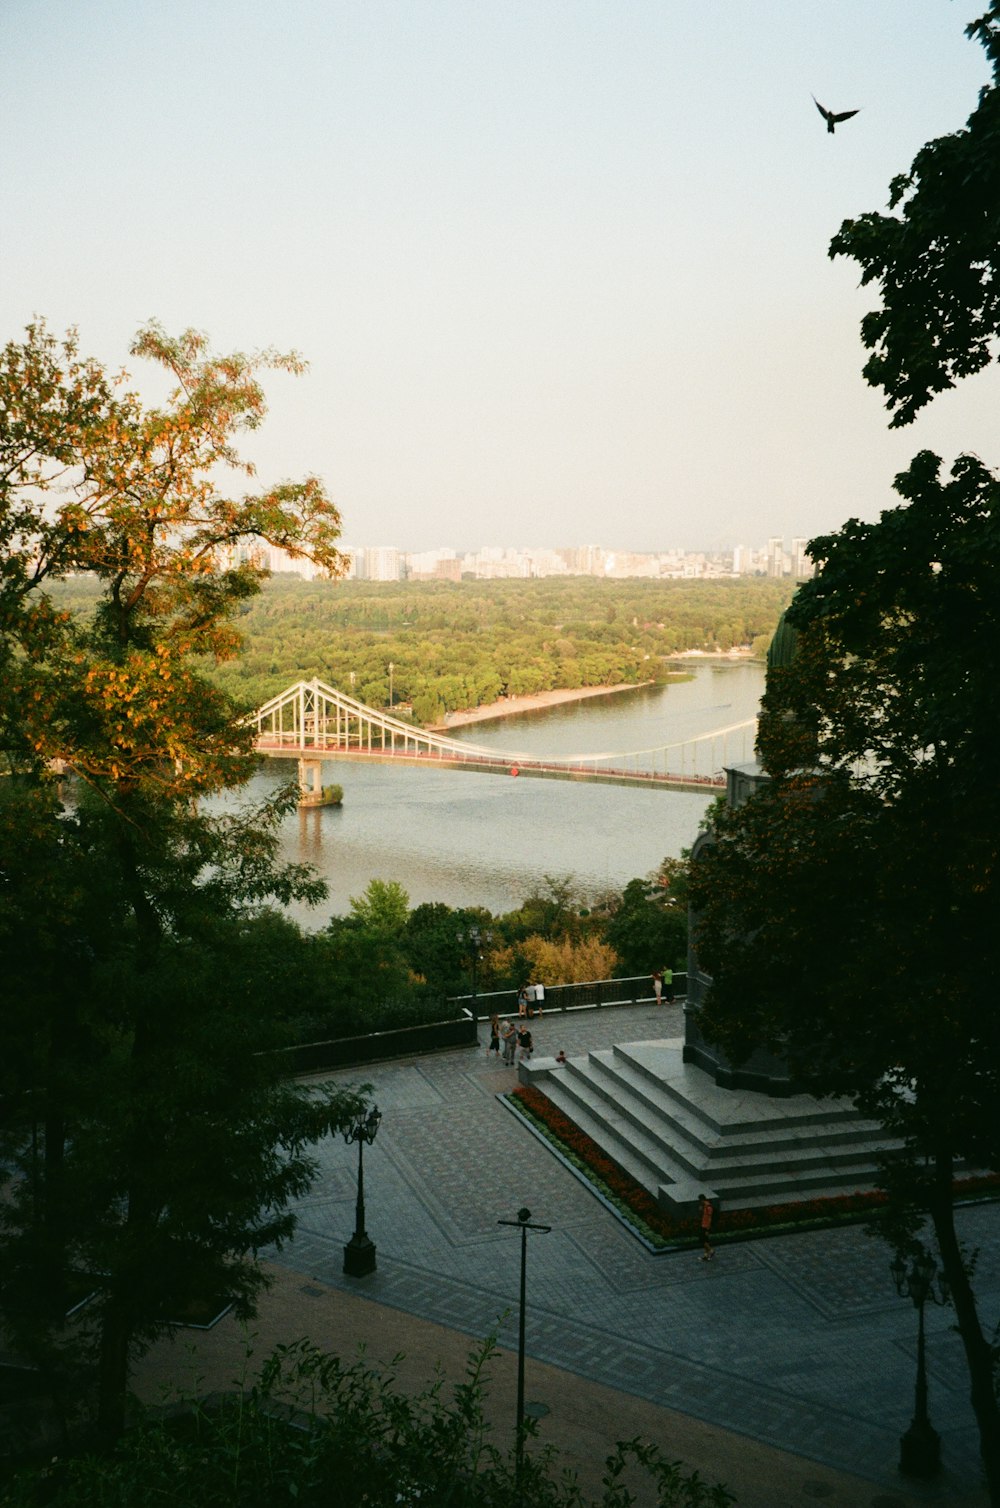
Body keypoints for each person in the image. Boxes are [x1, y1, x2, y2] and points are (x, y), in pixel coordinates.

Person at [698, 1193, 715, 1261]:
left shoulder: (708, 1207)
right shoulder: (704, 1206)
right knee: (705, 1241)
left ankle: (711, 1251)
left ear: (702, 1200)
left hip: (706, 1226)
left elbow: (709, 1218)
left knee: (702, 1240)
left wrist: (708, 1229)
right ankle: (706, 1256)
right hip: (703, 1225)